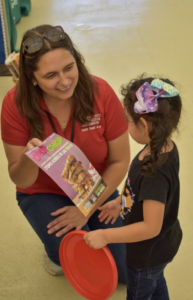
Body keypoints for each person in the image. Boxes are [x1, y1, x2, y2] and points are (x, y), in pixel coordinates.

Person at [1, 24, 130, 282]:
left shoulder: (100, 92)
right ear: (31, 77)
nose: (64, 81)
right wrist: (29, 158)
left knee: (123, 272)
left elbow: (119, 161)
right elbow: (21, 180)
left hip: (93, 184)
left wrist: (86, 209)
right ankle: (53, 252)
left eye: (69, 68)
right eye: (50, 75)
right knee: (83, 266)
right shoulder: (14, 105)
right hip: (43, 191)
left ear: (77, 61)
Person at [84, 74, 183, 299]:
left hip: (146, 256)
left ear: (145, 125)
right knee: (157, 284)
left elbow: (150, 227)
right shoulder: (163, 146)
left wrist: (106, 237)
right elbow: (147, 194)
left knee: (141, 291)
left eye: (127, 119)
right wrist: (122, 202)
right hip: (162, 246)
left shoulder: (154, 171)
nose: (124, 124)